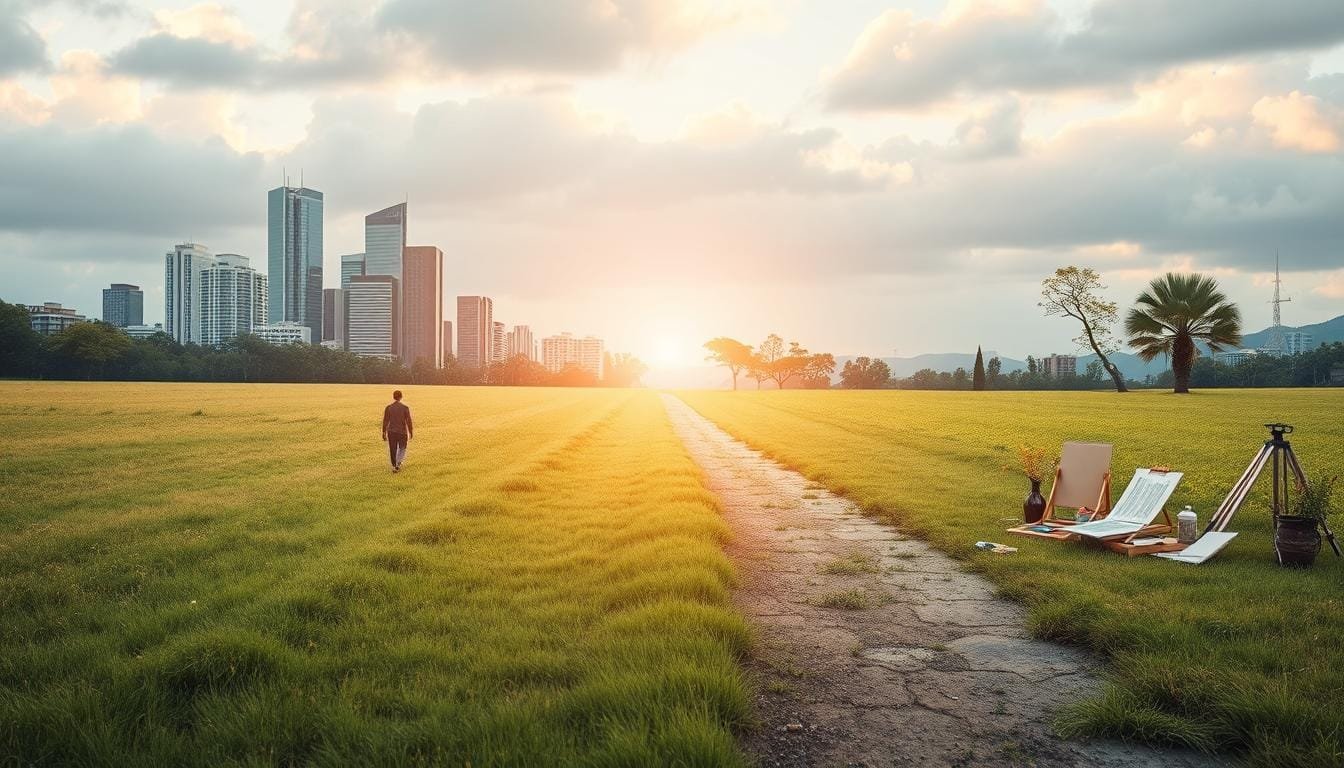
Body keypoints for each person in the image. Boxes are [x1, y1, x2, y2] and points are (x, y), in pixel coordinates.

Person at [382, 390, 413, 473]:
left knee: (393, 449)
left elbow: (385, 421)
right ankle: (398, 463)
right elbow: (409, 421)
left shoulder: (388, 408)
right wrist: (411, 432)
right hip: (402, 432)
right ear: (401, 397)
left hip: (391, 432)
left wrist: (384, 432)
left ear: (393, 397)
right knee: (402, 447)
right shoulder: (405, 408)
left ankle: (394, 465)